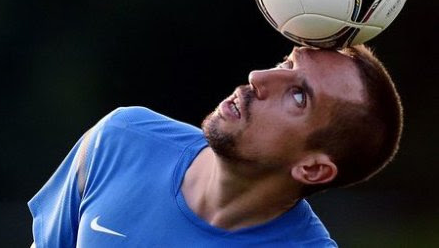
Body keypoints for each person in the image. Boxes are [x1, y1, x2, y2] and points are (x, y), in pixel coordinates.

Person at [28, 45, 403, 247]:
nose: (259, 78)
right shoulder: (121, 138)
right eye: (284, 61)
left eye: (298, 96)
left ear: (313, 168)